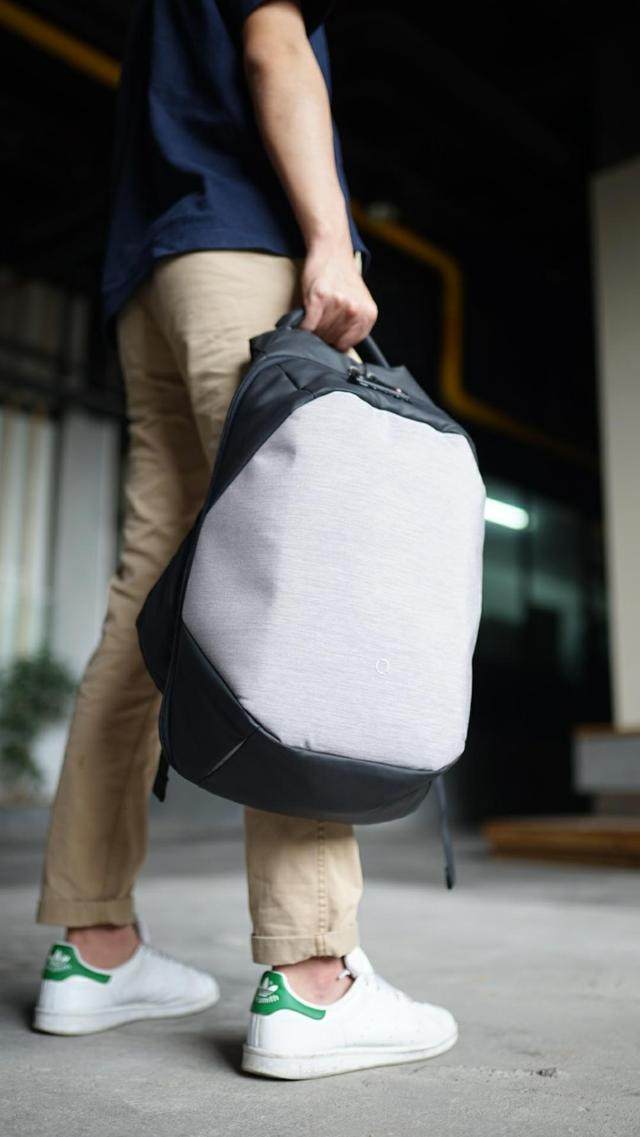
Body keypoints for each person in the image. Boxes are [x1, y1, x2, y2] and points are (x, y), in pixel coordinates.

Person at [34, 0, 458, 1078]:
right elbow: (274, 46)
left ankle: (93, 947)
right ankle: (314, 978)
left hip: (153, 282)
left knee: (148, 596)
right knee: (297, 587)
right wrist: (331, 240)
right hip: (244, 256)